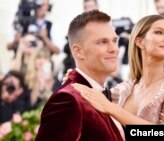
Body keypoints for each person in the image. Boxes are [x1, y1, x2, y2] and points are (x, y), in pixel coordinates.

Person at [69, 14, 164, 126]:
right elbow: (91, 96)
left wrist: (111, 108)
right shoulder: (123, 90)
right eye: (159, 32)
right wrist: (77, 78)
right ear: (139, 42)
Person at [35, 10, 124, 141]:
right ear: (79, 51)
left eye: (114, 40)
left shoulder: (115, 95)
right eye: (102, 42)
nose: (113, 49)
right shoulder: (68, 100)